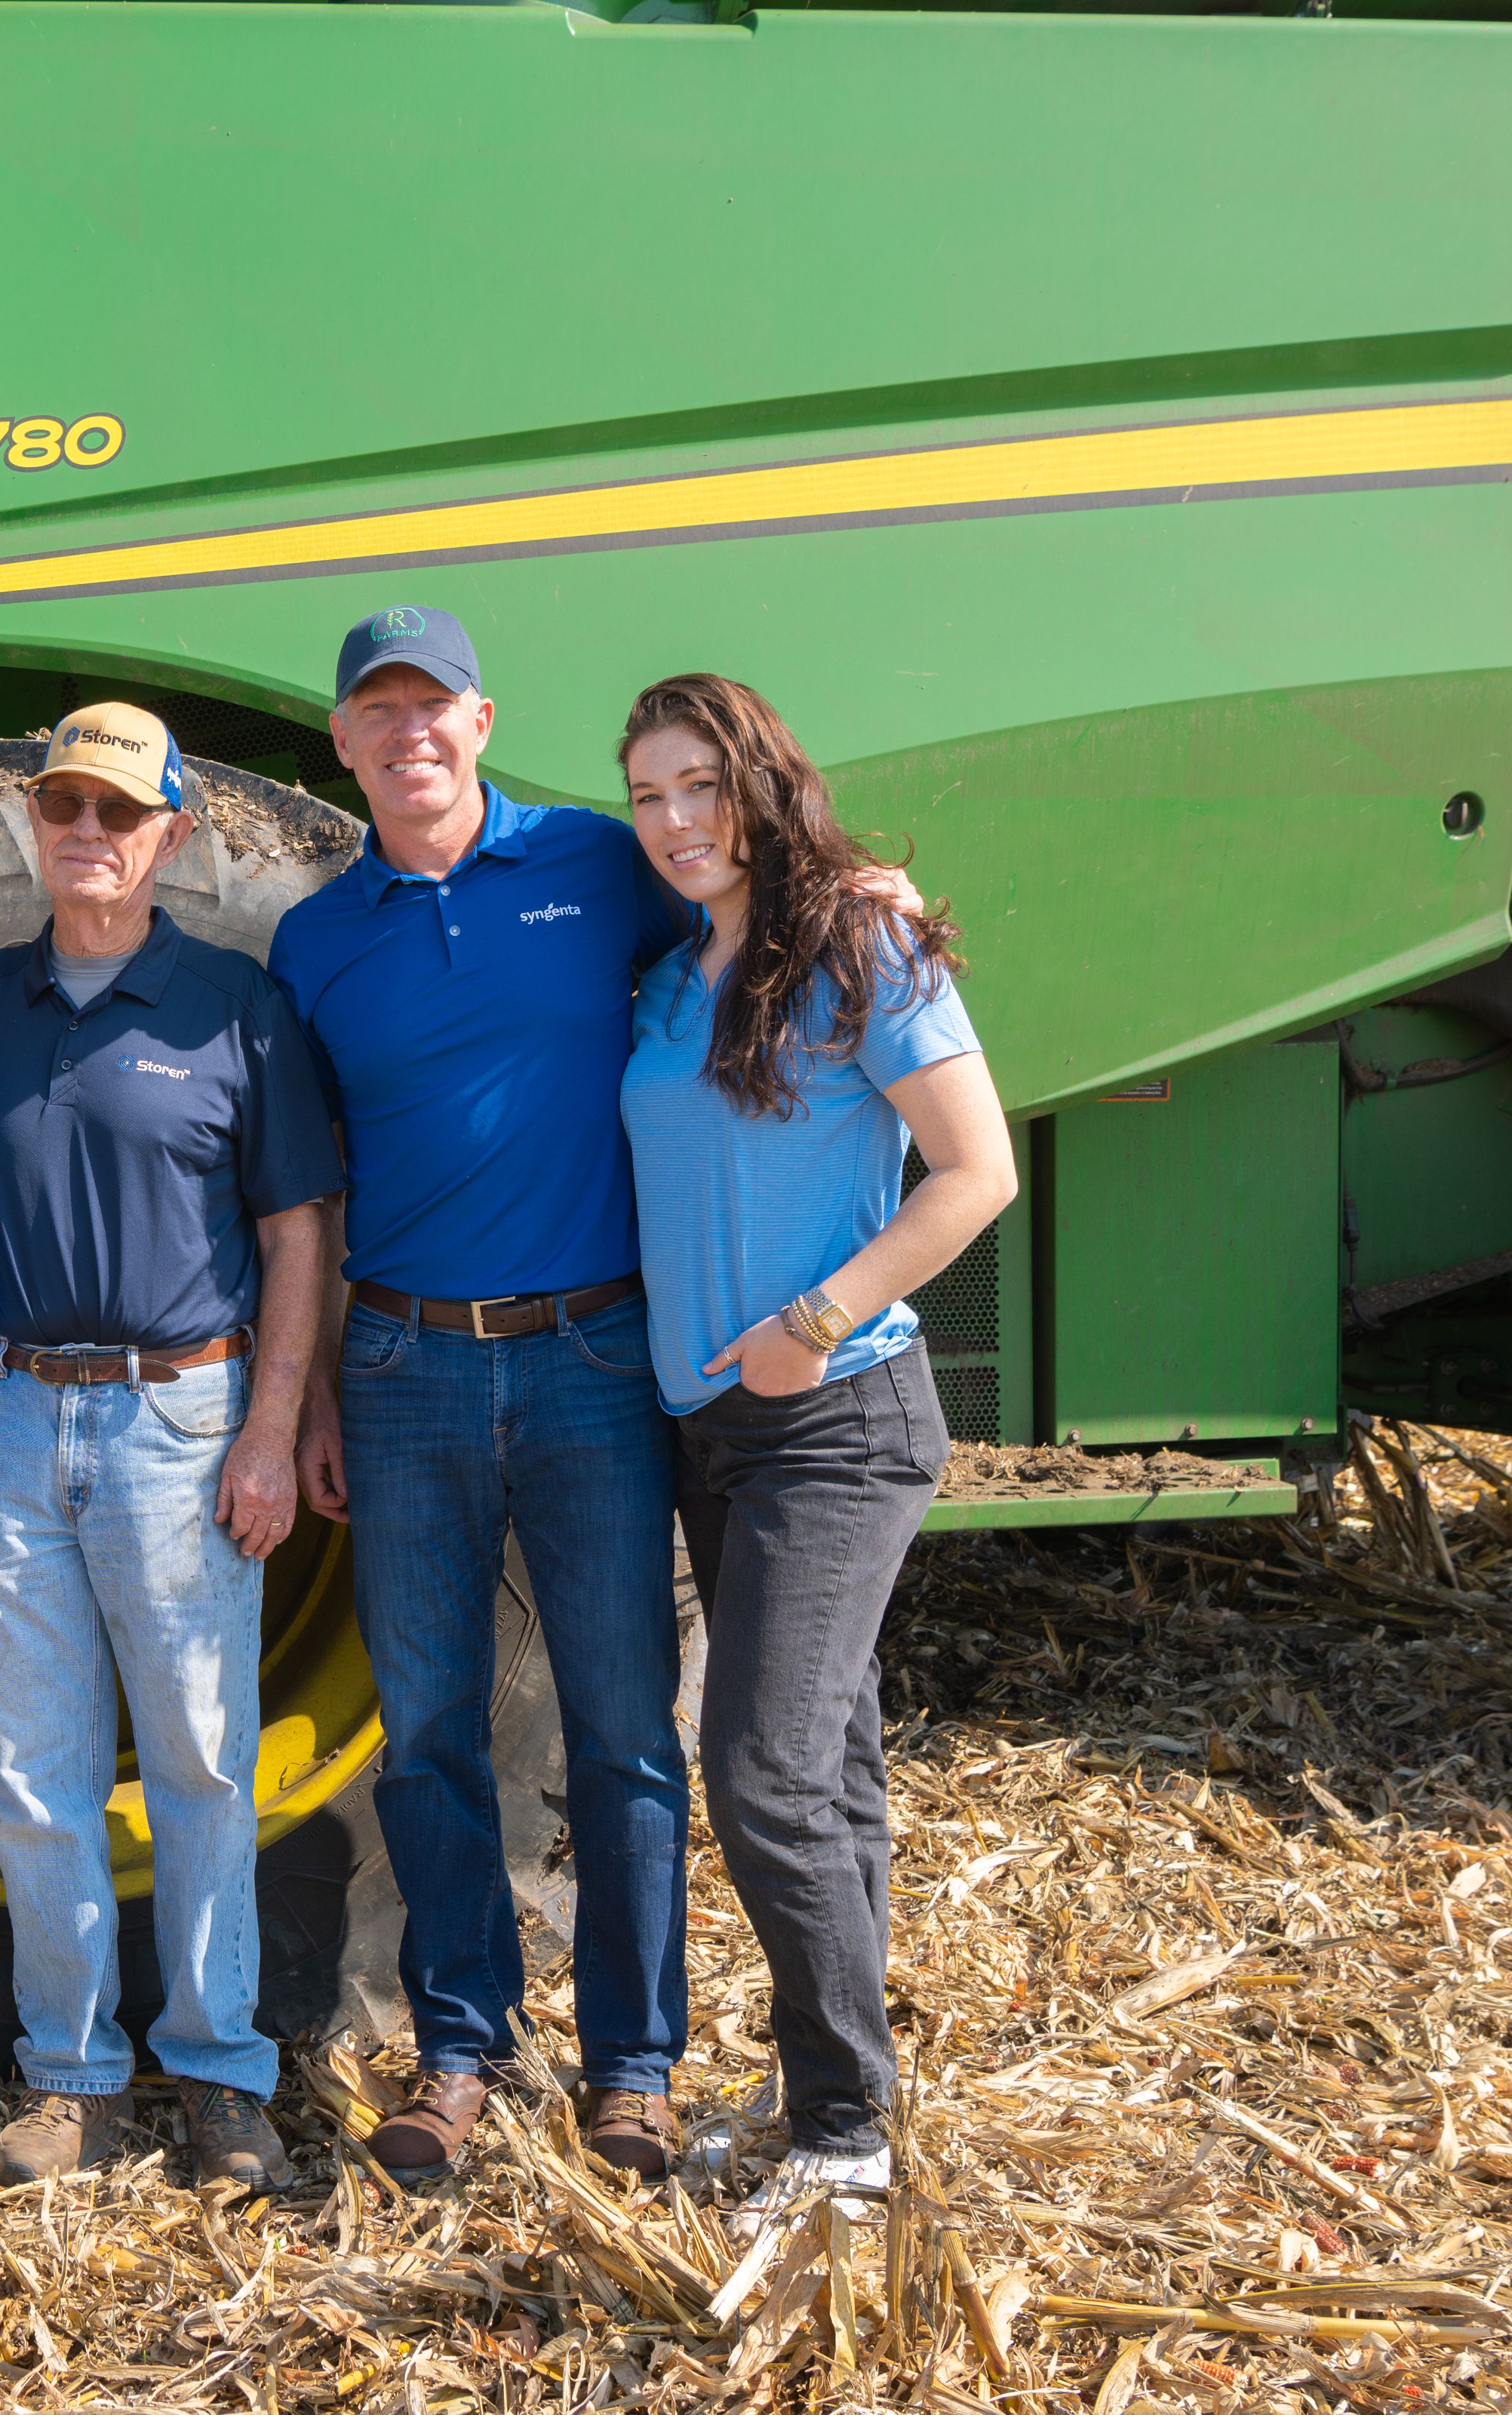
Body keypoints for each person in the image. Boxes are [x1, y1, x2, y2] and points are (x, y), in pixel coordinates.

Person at [267, 607, 696, 2183]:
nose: (409, 734)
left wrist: (868, 898)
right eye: (376, 712)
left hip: (593, 1357)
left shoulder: (594, 865)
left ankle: (632, 2067)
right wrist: (313, 1392)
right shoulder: (315, 940)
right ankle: (458, 2049)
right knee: (429, 1731)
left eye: (432, 705)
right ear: (341, 743)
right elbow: (308, 1190)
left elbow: (749, 919)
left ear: (481, 719)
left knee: (622, 1731)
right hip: (402, 1367)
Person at [615, 673, 1013, 2232]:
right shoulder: (672, 978)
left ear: (762, 784)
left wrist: (814, 1317)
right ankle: (838, 2104)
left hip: (836, 1413)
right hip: (711, 1430)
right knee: (827, 1767)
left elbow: (974, 1171)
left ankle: (843, 2135)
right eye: (647, 796)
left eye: (700, 786)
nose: (674, 821)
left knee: (763, 1769)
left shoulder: (859, 948)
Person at [0, 703, 343, 2192]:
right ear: (32, 825)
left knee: (200, 1761)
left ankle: (221, 2071)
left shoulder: (234, 1006)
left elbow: (296, 1232)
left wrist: (270, 1430)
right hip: (8, 1412)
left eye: (120, 811)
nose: (89, 833)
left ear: (171, 833)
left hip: (184, 1420)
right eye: (65, 806)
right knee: (35, 1771)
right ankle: (70, 2073)